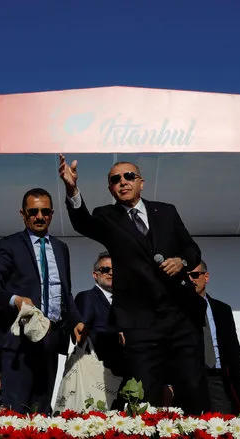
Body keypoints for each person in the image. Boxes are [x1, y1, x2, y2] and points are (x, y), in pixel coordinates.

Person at [58, 155, 208, 414]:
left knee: (193, 388)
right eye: (115, 179)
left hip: (180, 315)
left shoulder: (166, 211)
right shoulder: (106, 216)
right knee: (145, 394)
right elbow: (83, 222)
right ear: (110, 189)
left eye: (129, 176)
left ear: (141, 183)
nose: (123, 182)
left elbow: (192, 249)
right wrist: (72, 190)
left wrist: (180, 261)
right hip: (140, 322)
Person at [0, 187, 85, 414]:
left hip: (52, 338)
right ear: (23, 214)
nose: (40, 216)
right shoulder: (9, 245)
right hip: (19, 340)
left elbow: (65, 292)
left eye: (45, 211)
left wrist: (76, 320)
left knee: (42, 412)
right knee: (15, 412)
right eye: (33, 211)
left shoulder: (61, 248)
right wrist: (14, 300)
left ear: (52, 214)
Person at [188, 261, 240, 415]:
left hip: (218, 378)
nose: (191, 280)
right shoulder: (177, 309)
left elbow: (234, 351)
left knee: (223, 424)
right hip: (192, 380)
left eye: (195, 275)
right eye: (186, 276)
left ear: (206, 277)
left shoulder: (222, 310)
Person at [74, 251, 125, 376]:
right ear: (95, 275)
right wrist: (116, 335)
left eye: (115, 269)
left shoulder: (126, 302)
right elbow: (84, 335)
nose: (111, 273)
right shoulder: (87, 297)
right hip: (98, 373)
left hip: (125, 372)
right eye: (106, 269)